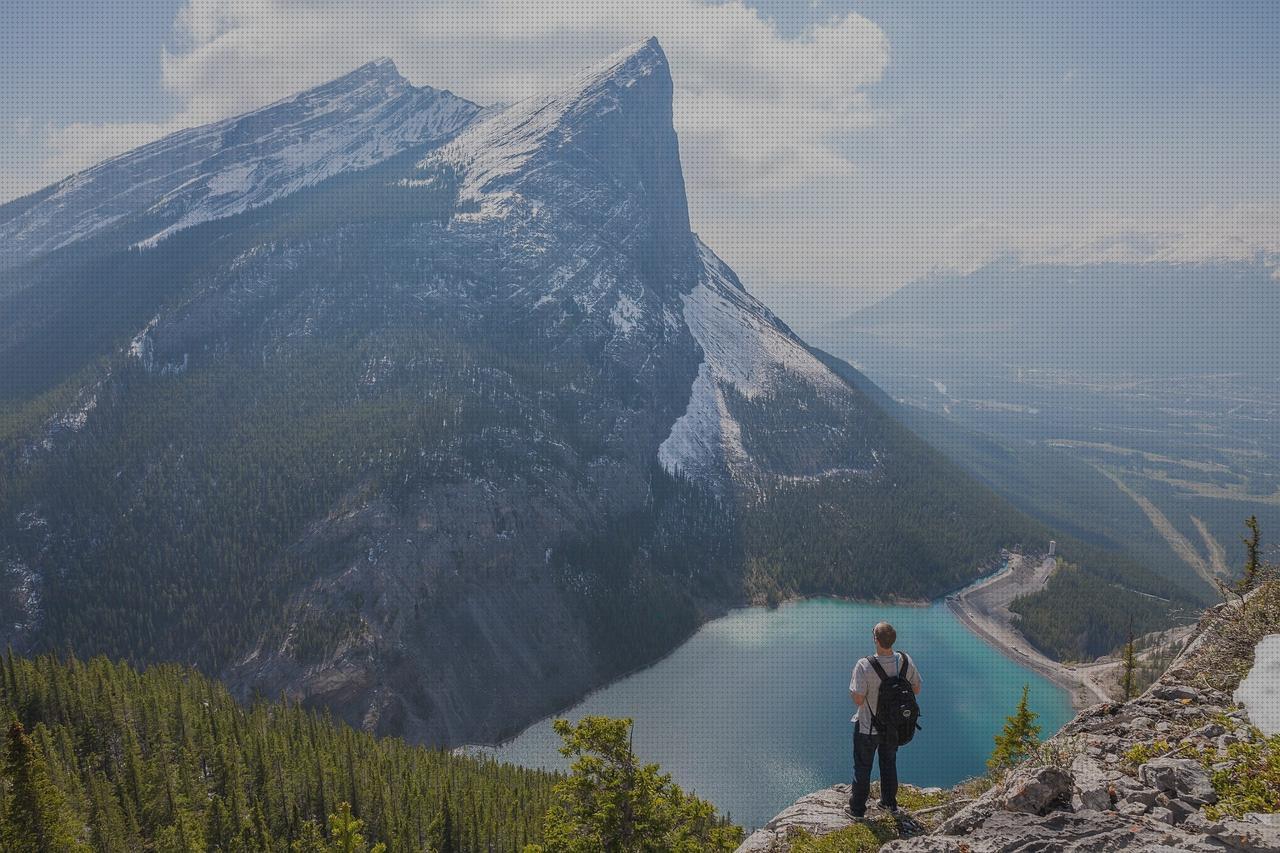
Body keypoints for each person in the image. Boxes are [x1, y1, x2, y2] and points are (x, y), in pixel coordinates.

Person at [847, 621, 922, 817]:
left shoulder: (864, 665)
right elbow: (916, 689)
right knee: (889, 763)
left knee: (862, 767)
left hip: (867, 728)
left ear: (876, 640)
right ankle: (889, 804)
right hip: (893, 727)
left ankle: (857, 810)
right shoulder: (905, 660)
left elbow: (858, 699)